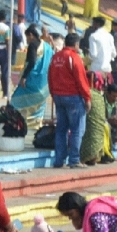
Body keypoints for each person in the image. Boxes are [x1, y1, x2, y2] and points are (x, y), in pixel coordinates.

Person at [46, 32, 89, 167]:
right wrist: (87, 97)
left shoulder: (55, 57)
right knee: (77, 129)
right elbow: (81, 79)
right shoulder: (74, 57)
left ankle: (59, 160)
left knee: (61, 129)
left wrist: (53, 93)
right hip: (73, 97)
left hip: (58, 97)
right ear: (76, 44)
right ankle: (74, 160)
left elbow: (50, 76)